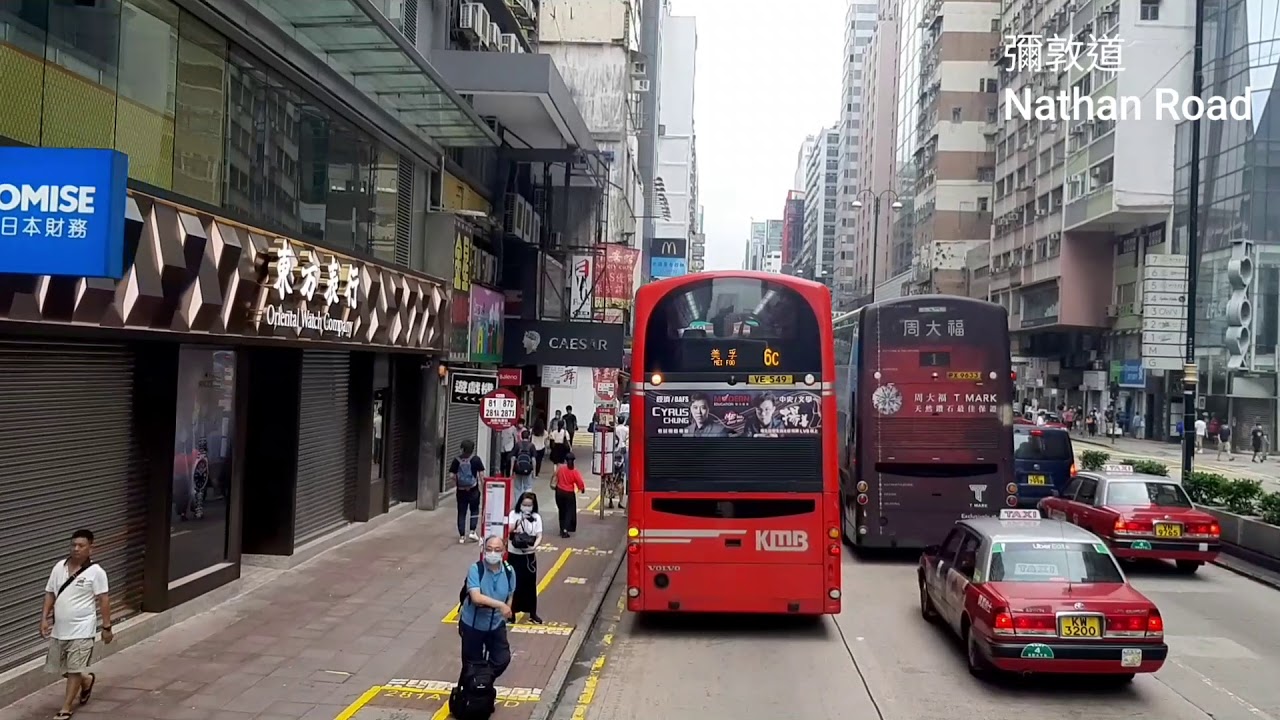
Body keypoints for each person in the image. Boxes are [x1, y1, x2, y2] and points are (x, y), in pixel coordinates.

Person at [41, 529, 113, 720]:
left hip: (82, 628)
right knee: (60, 668)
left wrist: (107, 627)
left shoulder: (96, 572)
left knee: (73, 669)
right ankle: (86, 680)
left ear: (91, 548)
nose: (76, 549)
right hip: (59, 630)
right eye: (73, 545)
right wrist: (44, 618)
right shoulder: (59, 567)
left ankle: (66, 708)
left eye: (81, 545)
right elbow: (50, 593)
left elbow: (103, 600)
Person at [460, 536, 515, 680]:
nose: (493, 553)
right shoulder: (476, 569)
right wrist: (500, 605)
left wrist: (507, 607)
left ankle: (483, 681)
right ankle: (468, 694)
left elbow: (510, 595)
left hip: (496, 624)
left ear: (503, 551)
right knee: (471, 665)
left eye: (497, 550)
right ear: (484, 550)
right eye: (489, 549)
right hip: (473, 625)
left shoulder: (509, 571)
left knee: (502, 658)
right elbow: (476, 597)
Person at [506, 492, 544, 624]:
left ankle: (532, 613)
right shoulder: (513, 514)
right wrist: (519, 522)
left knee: (530, 585)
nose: (527, 507)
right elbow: (508, 530)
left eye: (529, 505)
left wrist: (534, 546)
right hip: (514, 555)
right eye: (524, 504)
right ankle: (512, 613)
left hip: (529, 556)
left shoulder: (536, 518)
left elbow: (539, 535)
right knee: (514, 584)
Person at [449, 440, 485, 543]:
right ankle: (472, 531)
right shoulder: (476, 459)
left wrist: (457, 483)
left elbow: (451, 475)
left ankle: (462, 536)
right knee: (474, 510)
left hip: (461, 491)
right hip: (473, 489)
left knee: (461, 512)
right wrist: (483, 487)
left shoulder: (457, 460)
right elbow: (481, 475)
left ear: (462, 448)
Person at [553, 454, 587, 538]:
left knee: (561, 510)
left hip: (559, 492)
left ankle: (561, 528)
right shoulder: (574, 471)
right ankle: (565, 529)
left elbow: (555, 476)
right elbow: (579, 482)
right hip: (569, 493)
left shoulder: (561, 468)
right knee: (569, 511)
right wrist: (581, 489)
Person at [511, 430, 537, 510]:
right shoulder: (532, 446)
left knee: (517, 487)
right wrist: (534, 472)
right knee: (528, 486)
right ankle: (527, 504)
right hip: (528, 470)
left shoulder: (517, 445)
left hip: (518, 470)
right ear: (529, 437)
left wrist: (511, 471)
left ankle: (518, 505)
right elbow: (533, 460)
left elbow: (513, 458)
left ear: (521, 436)